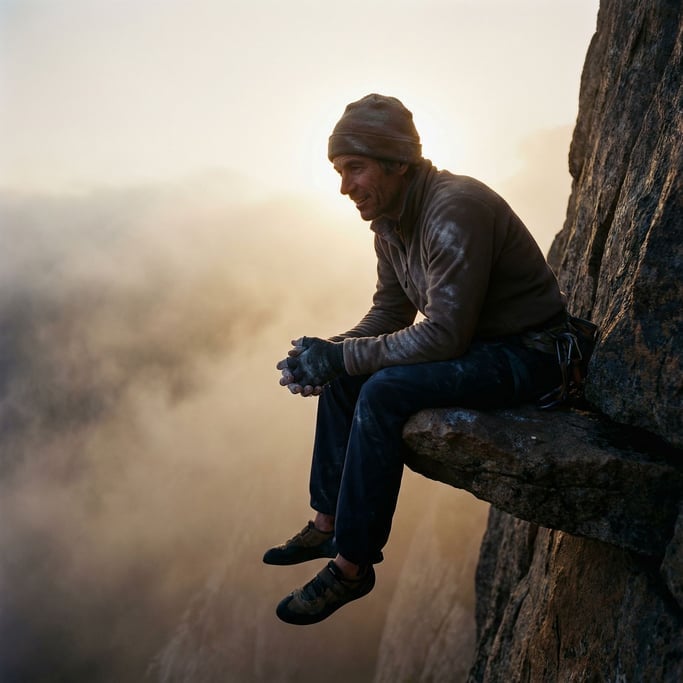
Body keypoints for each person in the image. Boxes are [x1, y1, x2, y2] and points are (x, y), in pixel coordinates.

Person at [265, 93, 567, 626]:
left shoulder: (454, 208)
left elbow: (446, 333)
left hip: (531, 356)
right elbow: (389, 310)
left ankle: (352, 567)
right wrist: (328, 354)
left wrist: (345, 357)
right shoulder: (392, 223)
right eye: (338, 171)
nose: (343, 187)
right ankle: (327, 519)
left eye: (354, 168)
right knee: (346, 376)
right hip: (482, 347)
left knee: (380, 389)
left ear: (397, 161)